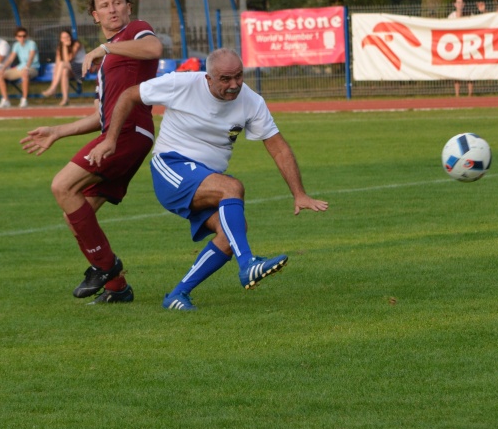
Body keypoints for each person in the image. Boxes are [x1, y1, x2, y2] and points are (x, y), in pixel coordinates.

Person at [91, 48, 328, 312]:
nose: (234, 84)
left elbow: (279, 148)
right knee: (232, 187)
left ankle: (177, 294)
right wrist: (110, 139)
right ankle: (248, 264)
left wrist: (299, 193)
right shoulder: (181, 83)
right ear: (208, 78)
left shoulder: (252, 101)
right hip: (170, 167)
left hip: (205, 179)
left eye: (239, 76)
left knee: (231, 233)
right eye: (225, 79)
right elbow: (128, 95)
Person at [19, 0, 162, 304]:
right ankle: (117, 288)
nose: (112, 9)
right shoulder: (105, 62)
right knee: (75, 216)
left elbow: (154, 49)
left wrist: (106, 47)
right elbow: (100, 116)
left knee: (62, 186)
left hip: (130, 132)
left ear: (128, 7)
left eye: (117, 2)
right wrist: (57, 131)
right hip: (117, 133)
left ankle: (106, 266)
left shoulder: (136, 30)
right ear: (95, 15)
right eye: (104, 5)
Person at [1, 27, 39, 108]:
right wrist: (3, 69)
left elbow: (31, 57)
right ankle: (5, 100)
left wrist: (27, 67)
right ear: (16, 37)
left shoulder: (32, 43)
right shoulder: (16, 45)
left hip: (32, 67)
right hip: (20, 68)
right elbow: (11, 58)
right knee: (0, 75)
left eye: (24, 36)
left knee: (25, 73)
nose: (22, 38)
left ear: (27, 36)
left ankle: (24, 99)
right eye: (19, 36)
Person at [447, 0, 472, 97]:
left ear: (464, 4)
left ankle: (470, 94)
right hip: (456, 46)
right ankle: (457, 94)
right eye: (458, 2)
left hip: (467, 46)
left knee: (469, 70)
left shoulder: (469, 15)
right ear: (454, 4)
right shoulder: (451, 17)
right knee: (457, 70)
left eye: (461, 2)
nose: (460, 4)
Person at [42, 30, 75, 105]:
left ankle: (53, 88)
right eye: (63, 37)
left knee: (63, 64)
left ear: (70, 37)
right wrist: (54, 78)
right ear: (60, 39)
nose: (66, 39)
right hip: (67, 70)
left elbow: (67, 61)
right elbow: (57, 65)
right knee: (64, 71)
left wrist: (65, 46)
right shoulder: (59, 48)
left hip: (77, 70)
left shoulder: (75, 45)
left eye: (67, 37)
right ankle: (65, 99)